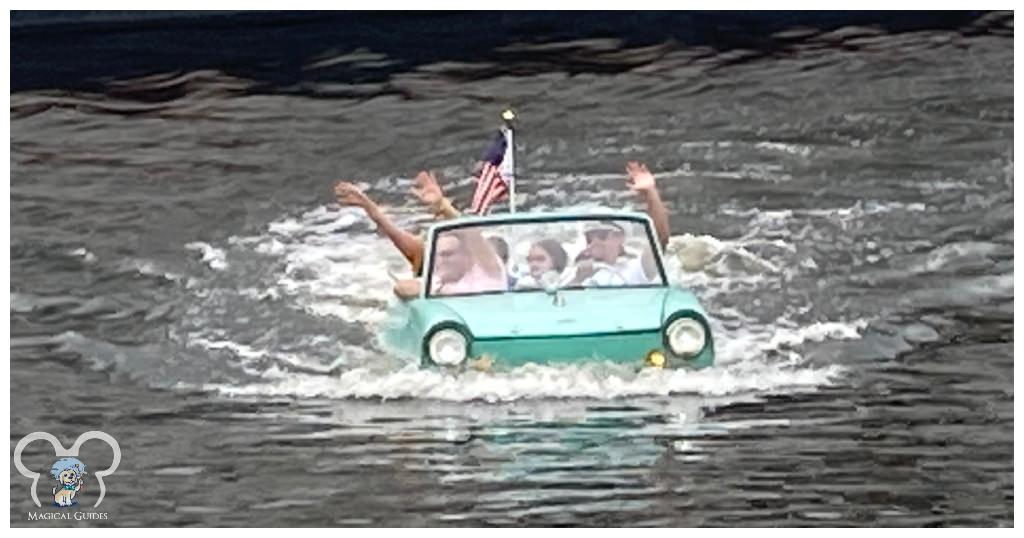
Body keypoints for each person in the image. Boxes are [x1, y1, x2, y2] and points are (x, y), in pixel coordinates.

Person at [431, 230, 508, 296]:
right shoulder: (431, 285)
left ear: (467, 256)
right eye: (439, 254)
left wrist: (453, 217)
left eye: (448, 254)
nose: (442, 259)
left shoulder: (488, 274)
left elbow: (475, 239)